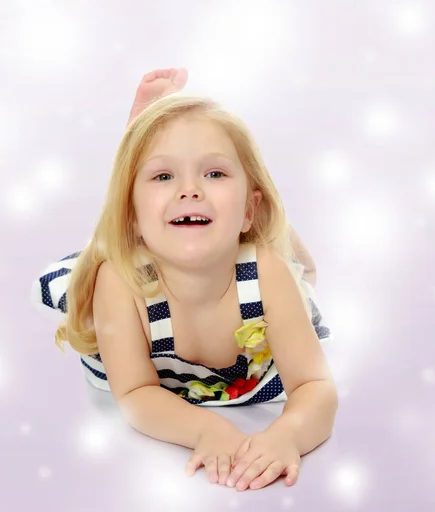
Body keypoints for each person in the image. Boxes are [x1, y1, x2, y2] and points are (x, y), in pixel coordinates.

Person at [52, 68, 337, 491]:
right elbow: (134, 394)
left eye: (215, 174)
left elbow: (316, 386)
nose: (190, 190)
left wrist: (287, 434)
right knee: (98, 255)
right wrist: (207, 430)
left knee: (302, 271)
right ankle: (142, 133)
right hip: (139, 261)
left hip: (254, 292)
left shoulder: (265, 272)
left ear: (246, 210)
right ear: (134, 213)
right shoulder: (121, 282)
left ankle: (163, 154)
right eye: (164, 176)